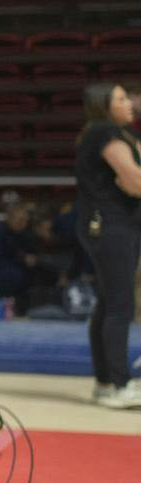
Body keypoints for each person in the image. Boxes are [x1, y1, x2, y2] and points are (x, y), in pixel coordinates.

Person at [76, 83, 141, 408]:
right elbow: (135, 182)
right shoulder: (104, 132)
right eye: (120, 98)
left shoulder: (121, 133)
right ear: (104, 105)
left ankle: (105, 382)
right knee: (120, 306)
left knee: (108, 303)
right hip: (110, 225)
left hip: (112, 225)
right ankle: (119, 384)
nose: (128, 102)